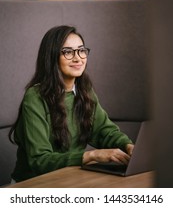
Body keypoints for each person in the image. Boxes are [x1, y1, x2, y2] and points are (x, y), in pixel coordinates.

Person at [9, 25, 134, 182]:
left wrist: (128, 146)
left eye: (81, 50)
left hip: (70, 179)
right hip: (33, 184)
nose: (78, 58)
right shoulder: (35, 97)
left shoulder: (84, 90)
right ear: (52, 57)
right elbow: (40, 161)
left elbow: (104, 131)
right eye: (68, 52)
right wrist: (92, 155)